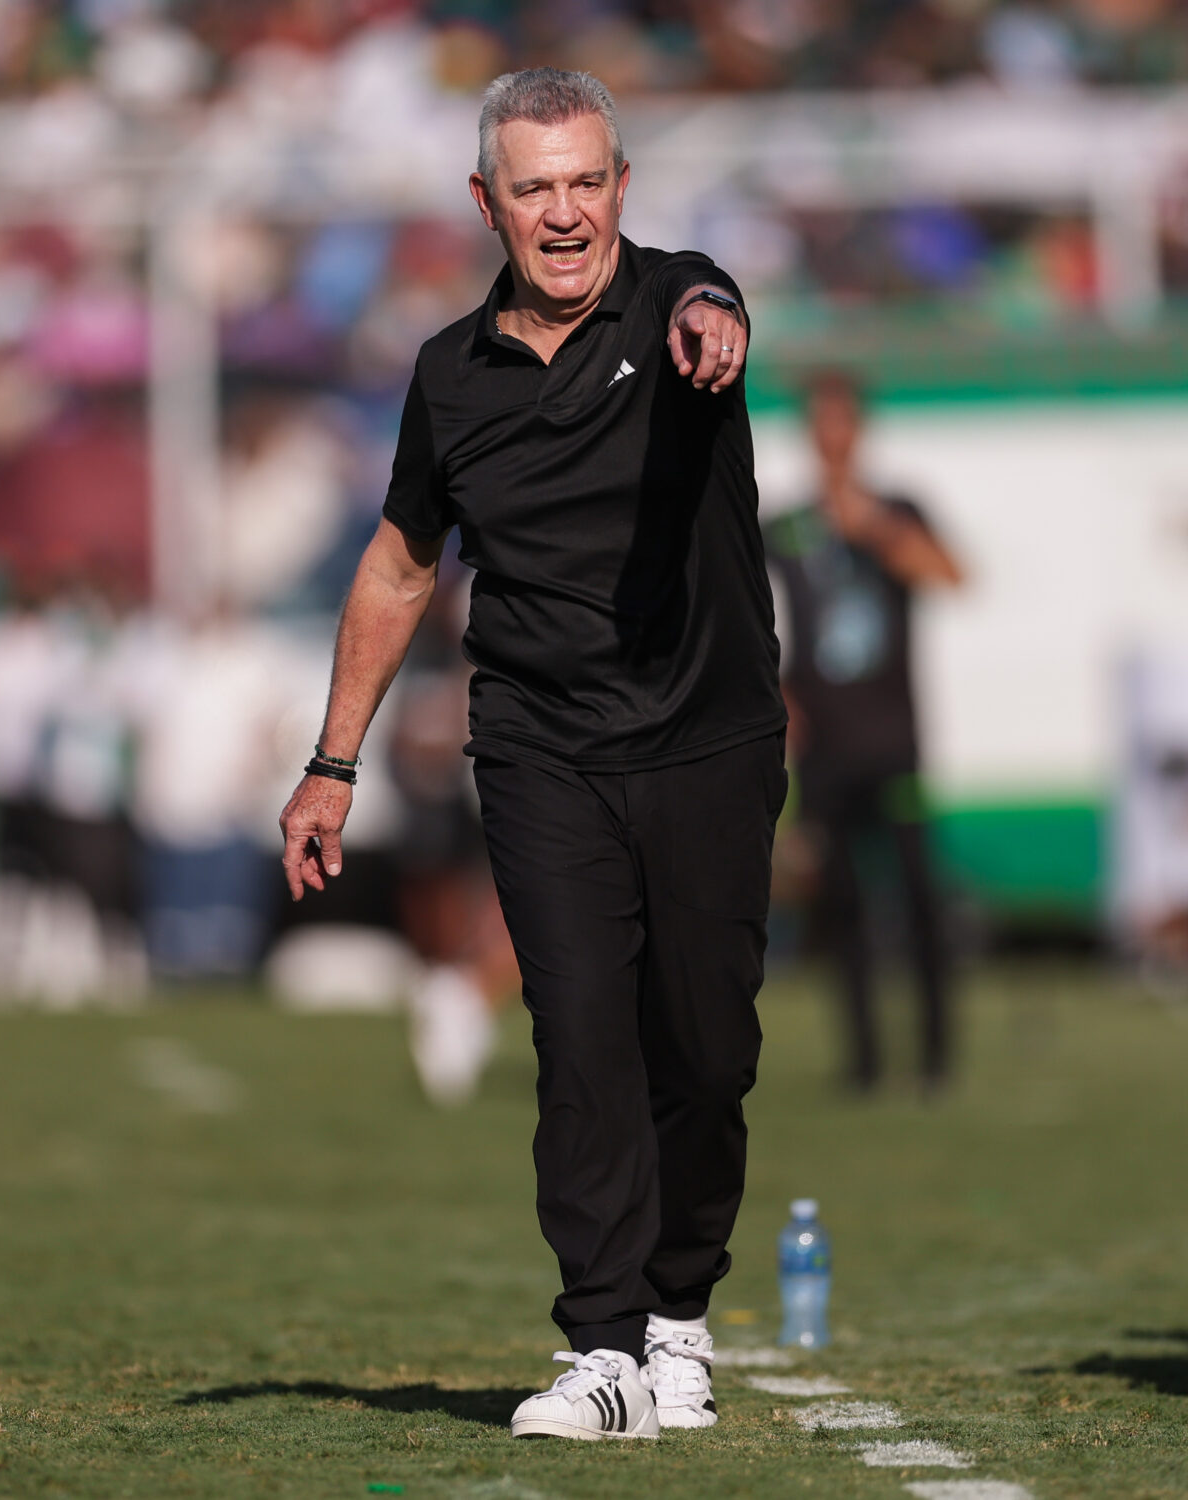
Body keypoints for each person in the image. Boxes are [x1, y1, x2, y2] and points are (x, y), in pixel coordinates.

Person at [279, 68, 786, 1441]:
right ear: (485, 202)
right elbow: (397, 570)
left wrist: (707, 329)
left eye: (586, 181)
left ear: (619, 185)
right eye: (534, 187)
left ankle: (681, 1313)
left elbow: (710, 309)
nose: (564, 212)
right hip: (540, 748)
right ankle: (605, 1348)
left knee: (703, 1044)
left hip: (709, 743)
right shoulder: (450, 377)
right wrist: (334, 763)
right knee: (579, 1037)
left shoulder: (687, 300)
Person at [764, 368, 963, 1094]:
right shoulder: (786, 524)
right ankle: (865, 1065)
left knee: (918, 897)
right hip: (825, 751)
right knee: (840, 905)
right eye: (820, 423)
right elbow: (749, 617)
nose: (832, 437)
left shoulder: (899, 508)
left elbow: (951, 575)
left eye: (843, 422)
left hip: (894, 741)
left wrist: (875, 528)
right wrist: (776, 690)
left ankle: (936, 1060)